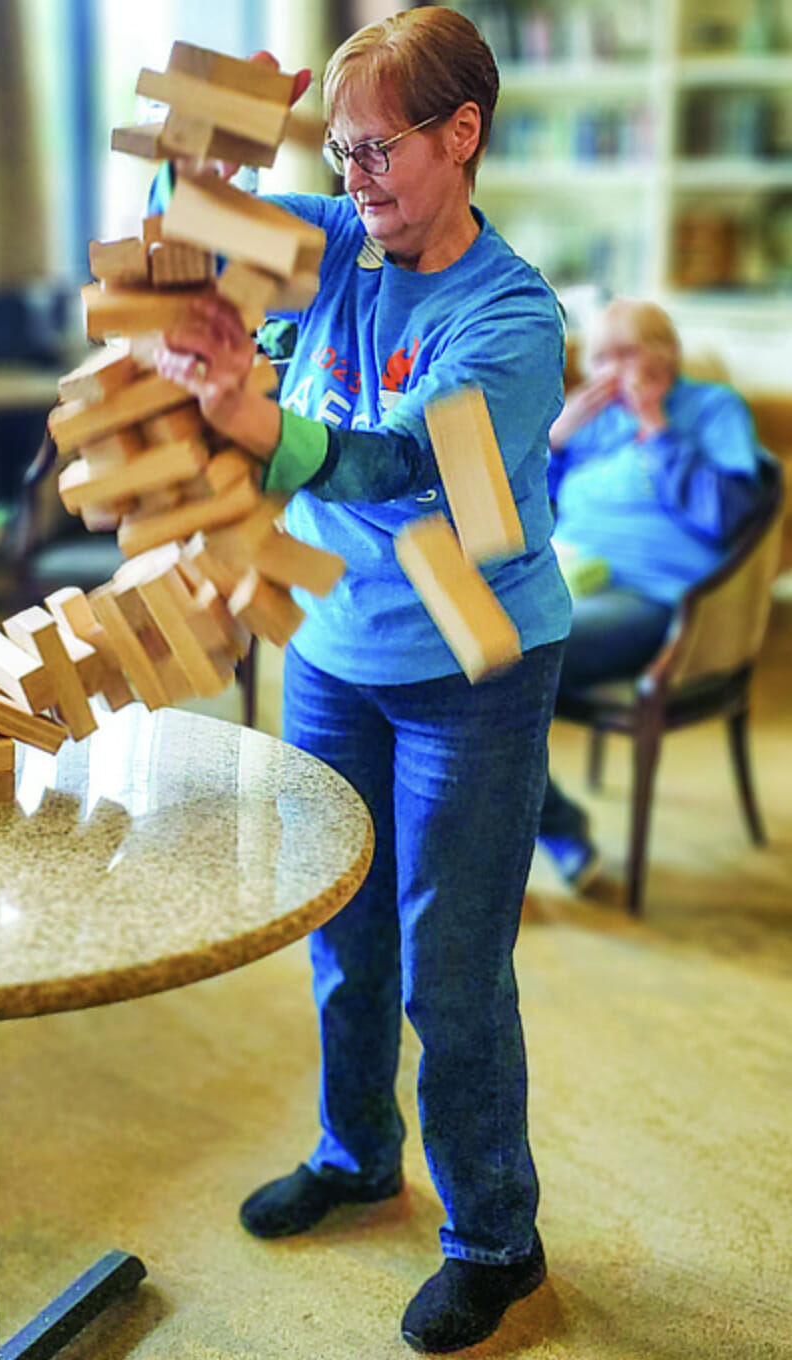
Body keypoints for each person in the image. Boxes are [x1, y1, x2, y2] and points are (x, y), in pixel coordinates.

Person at [149, 8, 572, 1354]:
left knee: (451, 972)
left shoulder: (511, 319)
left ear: (463, 134)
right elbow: (181, 232)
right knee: (343, 933)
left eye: (379, 148)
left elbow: (399, 465)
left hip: (469, 671)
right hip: (333, 648)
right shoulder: (336, 241)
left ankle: (494, 1237)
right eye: (339, 153)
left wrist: (257, 421)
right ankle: (354, 1154)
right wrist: (205, 157)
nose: (356, 178)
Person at [537, 298, 766, 890]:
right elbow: (530, 511)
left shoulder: (713, 409)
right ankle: (526, 828)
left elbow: (727, 514)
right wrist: (554, 442)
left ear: (668, 355)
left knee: (512, 663)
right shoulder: (593, 420)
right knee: (456, 652)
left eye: (627, 353)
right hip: (566, 579)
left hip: (651, 598)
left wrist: (657, 426)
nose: (612, 370)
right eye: (600, 357)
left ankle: (555, 831)